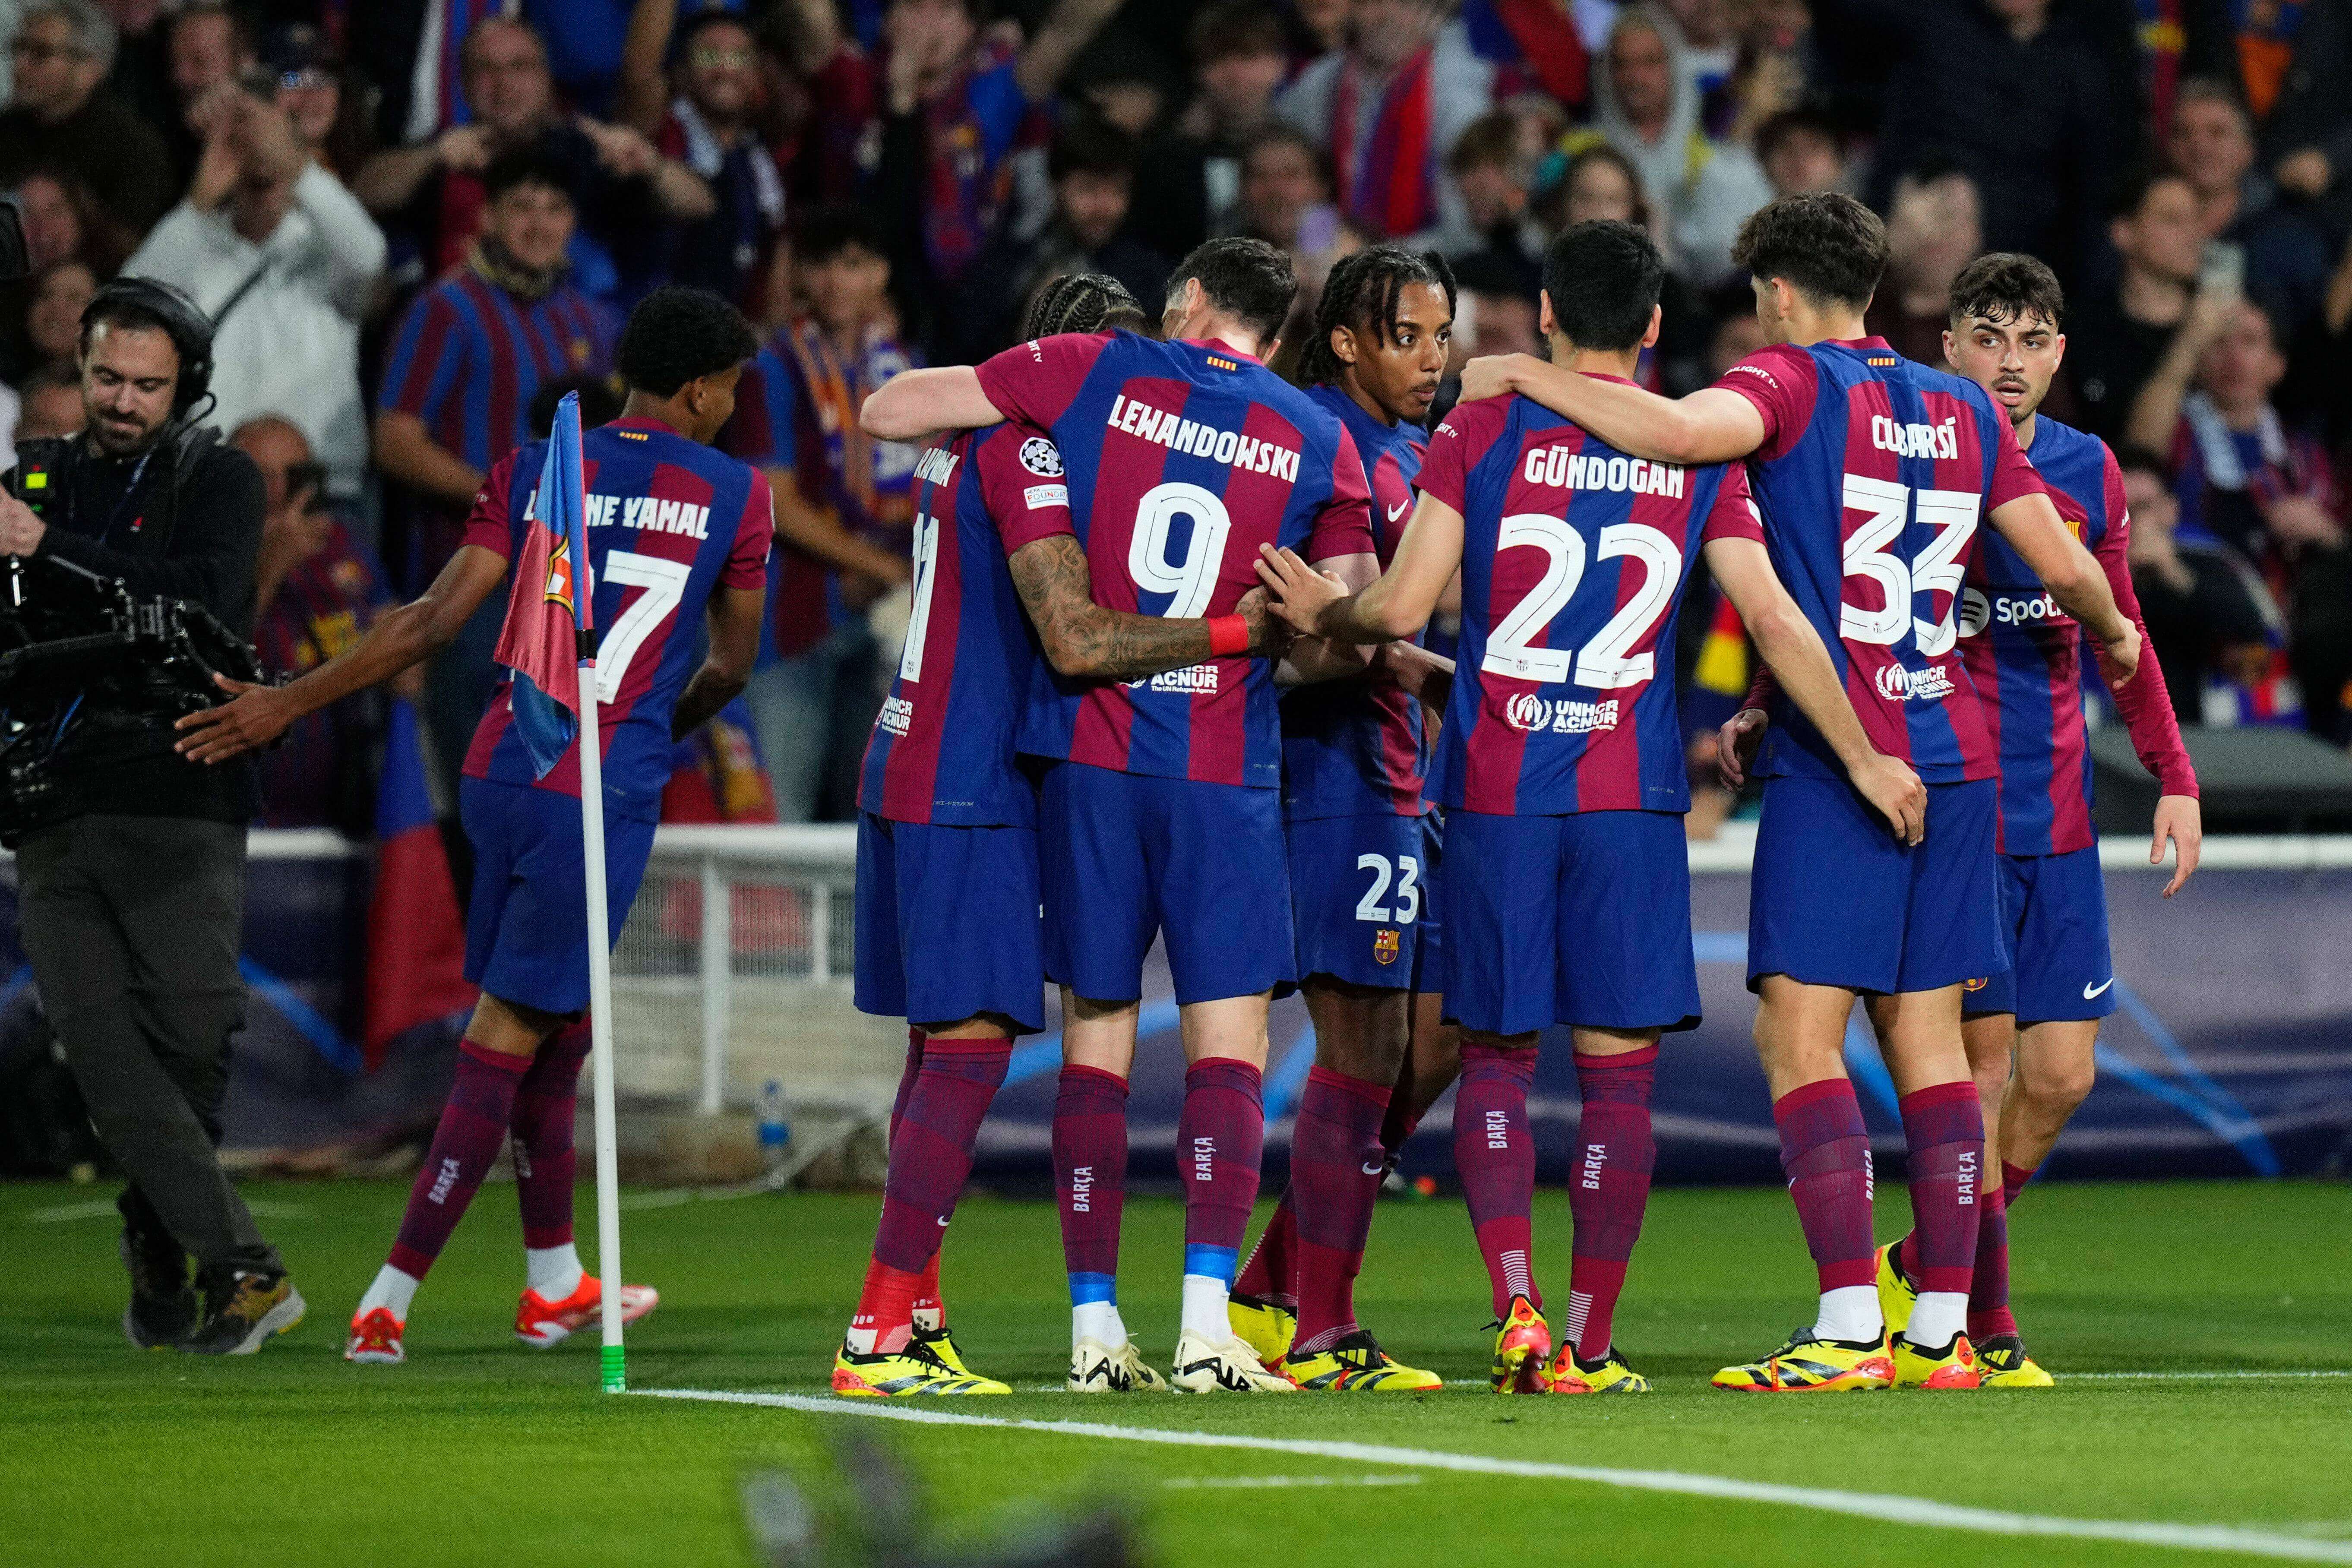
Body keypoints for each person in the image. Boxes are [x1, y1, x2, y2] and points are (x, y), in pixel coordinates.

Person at [1458, 192, 2140, 1391]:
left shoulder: (1787, 386)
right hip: (1960, 753)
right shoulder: (1966, 405)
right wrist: (2119, 639)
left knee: (1798, 1034)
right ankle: (1941, 1335)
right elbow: (2071, 566)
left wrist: (1519, 372)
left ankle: (1842, 1327)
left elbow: (1670, 439)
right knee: (1931, 1043)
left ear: (1776, 288)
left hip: (1849, 756)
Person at [1256, 219, 1926, 1396]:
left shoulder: (1480, 424)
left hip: (1503, 789)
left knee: (1500, 1059)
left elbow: (1405, 602)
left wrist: (1331, 610)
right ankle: (1588, 1341)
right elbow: (1772, 616)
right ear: (1658, 326)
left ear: (1550, 313)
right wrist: (1867, 755)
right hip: (1630, 795)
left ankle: (1513, 1309)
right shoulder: (1694, 450)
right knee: (1619, 1075)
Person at [174, 286, 772, 1366]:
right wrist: (643, 724)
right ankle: (387, 1301)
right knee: (508, 1036)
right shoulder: (737, 494)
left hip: (504, 764)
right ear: (699, 390)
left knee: (556, 1024)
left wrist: (286, 697)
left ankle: (553, 1280)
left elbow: (433, 620)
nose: (733, 406)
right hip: (599, 790)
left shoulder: (540, 465)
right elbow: (731, 661)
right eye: (731, 387)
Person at [860, 237, 1381, 1395]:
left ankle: (1094, 1334)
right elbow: (1346, 624)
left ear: (1184, 302)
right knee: (1229, 1047)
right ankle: (1207, 1329)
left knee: (1094, 1044)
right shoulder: (1317, 432)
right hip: (1219, 764)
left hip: (1089, 760)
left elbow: (894, 406)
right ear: (1282, 336)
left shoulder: (1093, 370)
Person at [1841, 252, 2200, 1387]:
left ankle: (1921, 1259)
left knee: (2061, 1081)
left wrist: (2174, 772)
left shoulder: (2090, 470)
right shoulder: (1922, 460)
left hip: (2062, 817)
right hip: (1960, 808)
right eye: (1987, 335)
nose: (2009, 359)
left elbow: (2120, 624)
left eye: (2031, 338)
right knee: (1985, 1073)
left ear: (2058, 354)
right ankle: (1985, 1323)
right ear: (1946, 345)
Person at [0, 277, 289, 1354]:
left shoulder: (221, 478)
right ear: (80, 370)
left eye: (148, 384)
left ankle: (158, 1233)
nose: (123, 400)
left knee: (191, 1040)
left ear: (190, 387)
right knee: (103, 1052)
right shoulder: (32, 477)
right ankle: (245, 1268)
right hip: (54, 792)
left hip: (184, 778)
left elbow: (203, 599)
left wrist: (48, 551)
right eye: (108, 378)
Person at [1224, 245, 1457, 1393]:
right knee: (1363, 1043)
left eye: (1441, 336)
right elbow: (1289, 634)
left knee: (1447, 1030)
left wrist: (1406, 660)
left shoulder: (1416, 451)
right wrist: (1384, 652)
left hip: (1405, 777)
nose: (1431, 358)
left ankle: (1275, 1285)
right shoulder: (1310, 439)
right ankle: (1322, 1329)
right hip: (1332, 780)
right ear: (1349, 341)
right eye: (1407, 336)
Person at [374, 145, 620, 791]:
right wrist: (512, 501)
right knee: (481, 788)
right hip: (473, 589)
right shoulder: (445, 309)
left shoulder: (594, 321)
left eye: (555, 209)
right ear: (486, 216)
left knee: (570, 791)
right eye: (521, 207)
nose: (539, 225)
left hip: (576, 593)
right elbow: (395, 440)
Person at [724, 205, 922, 822]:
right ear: (803, 277)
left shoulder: (904, 366)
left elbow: (928, 482)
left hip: (887, 624)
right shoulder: (770, 369)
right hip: (794, 626)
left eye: (854, 265)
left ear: (883, 274)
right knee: (782, 829)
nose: (838, 282)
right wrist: (882, 566)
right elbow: (774, 500)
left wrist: (899, 571)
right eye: (823, 266)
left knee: (868, 825)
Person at [125, 74, 387, 501]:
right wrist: (198, 203)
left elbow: (368, 255)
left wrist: (299, 168)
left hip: (320, 488)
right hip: (212, 491)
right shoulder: (196, 243)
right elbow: (131, 307)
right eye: (244, 144)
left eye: (270, 145)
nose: (261, 160)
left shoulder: (325, 250)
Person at [351, 15, 712, 293]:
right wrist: (431, 158)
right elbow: (364, 190)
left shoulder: (588, 148)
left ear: (547, 78)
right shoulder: (448, 151)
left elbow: (699, 203)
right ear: (464, 83)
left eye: (519, 67)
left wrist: (651, 166)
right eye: (485, 70)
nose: (503, 83)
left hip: (570, 344)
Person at [237, 415, 395, 833]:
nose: (277, 493)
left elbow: (390, 620)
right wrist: (273, 561)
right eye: (261, 476)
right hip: (251, 793)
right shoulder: (212, 545)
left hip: (348, 787)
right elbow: (223, 646)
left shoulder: (343, 538)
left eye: (292, 475)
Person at [1276, 0, 1496, 243]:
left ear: (1430, 15)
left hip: (1437, 264)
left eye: (1404, 4)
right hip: (1339, 260)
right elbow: (1307, 189)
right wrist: (1319, 247)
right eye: (1373, 3)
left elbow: (1467, 227)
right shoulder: (1320, 84)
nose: (1387, 17)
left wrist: (1382, 260)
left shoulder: (1460, 94)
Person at [617, 0, 787, 307]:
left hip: (729, 336)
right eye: (710, 56)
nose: (726, 69)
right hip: (652, 327)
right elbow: (640, 76)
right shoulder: (665, 130)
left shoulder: (760, 153)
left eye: (739, 57)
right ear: (682, 71)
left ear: (758, 73)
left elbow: (776, 250)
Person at [0, 0, 175, 235]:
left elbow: (130, 248)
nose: (21, 64)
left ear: (89, 69)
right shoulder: (6, 128)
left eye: (40, 53)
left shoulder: (133, 149)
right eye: (19, 49)